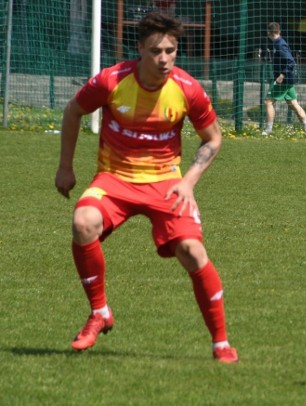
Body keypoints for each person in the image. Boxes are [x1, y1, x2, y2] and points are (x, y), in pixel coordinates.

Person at [54, 12, 238, 363]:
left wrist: (188, 182)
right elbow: (73, 110)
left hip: (166, 184)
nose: (164, 58)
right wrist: (65, 167)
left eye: (171, 50)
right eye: (156, 50)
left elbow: (213, 139)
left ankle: (221, 344)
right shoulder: (111, 80)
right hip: (114, 179)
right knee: (82, 222)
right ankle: (100, 312)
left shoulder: (188, 89)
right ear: (140, 49)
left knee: (192, 252)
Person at [262, 22, 306, 136]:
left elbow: (291, 62)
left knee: (268, 101)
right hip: (288, 80)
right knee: (294, 104)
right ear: (279, 31)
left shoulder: (280, 45)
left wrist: (282, 75)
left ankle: (268, 130)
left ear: (268, 32)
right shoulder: (278, 43)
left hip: (283, 80)